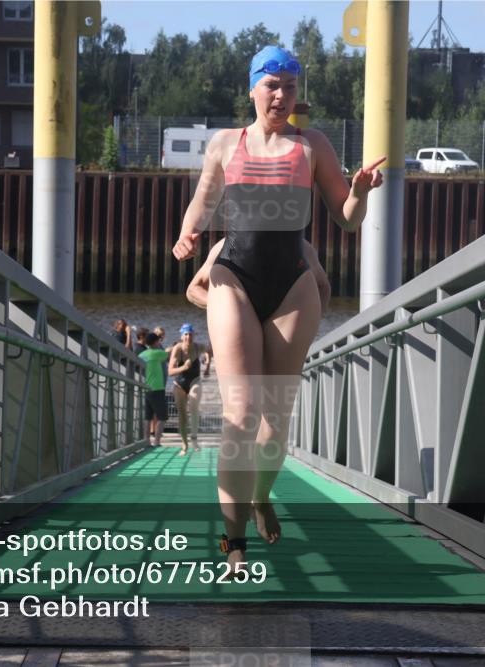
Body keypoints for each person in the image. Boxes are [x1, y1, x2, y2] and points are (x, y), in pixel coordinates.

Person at [171, 45, 384, 567]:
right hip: (233, 275)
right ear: (252, 88)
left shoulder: (313, 146)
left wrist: (359, 192)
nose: (282, 96)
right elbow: (204, 197)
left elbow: (347, 218)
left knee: (274, 420)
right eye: (272, 85)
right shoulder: (226, 143)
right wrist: (187, 232)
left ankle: (262, 494)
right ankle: (233, 542)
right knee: (239, 415)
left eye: (290, 87)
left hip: (292, 284)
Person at [187, 238, 331, 313]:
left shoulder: (303, 248)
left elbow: (323, 287)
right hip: (238, 323)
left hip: (285, 321)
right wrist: (226, 306)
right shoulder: (224, 247)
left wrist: (311, 322)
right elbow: (193, 289)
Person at [168, 323, 211, 455]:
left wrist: (208, 365)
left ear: (194, 335)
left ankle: (194, 439)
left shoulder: (198, 347)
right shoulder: (177, 349)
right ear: (182, 336)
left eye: (191, 334)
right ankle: (184, 444)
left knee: (193, 406)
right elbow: (170, 371)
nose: (188, 337)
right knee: (182, 415)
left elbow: (209, 350)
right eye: (186, 334)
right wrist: (183, 368)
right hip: (179, 383)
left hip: (195, 380)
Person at [139, 332, 168, 447]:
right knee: (162, 416)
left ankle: (147, 441)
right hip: (157, 388)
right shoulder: (157, 354)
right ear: (156, 342)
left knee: (148, 416)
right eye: (158, 341)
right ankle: (157, 441)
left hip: (146, 388)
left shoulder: (142, 354)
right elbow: (168, 354)